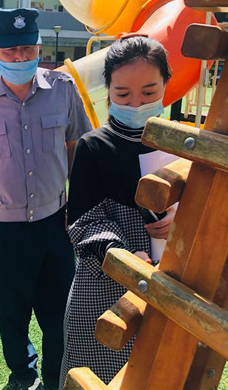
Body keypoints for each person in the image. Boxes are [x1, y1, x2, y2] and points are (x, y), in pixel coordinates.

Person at [0, 7, 92, 390]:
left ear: (39, 47)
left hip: (56, 222)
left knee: (59, 310)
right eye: (10, 50)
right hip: (5, 228)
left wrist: (79, 205)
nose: (20, 57)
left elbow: (76, 146)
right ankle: (23, 374)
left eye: (28, 49)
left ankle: (55, 377)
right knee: (12, 311)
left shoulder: (63, 89)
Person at [59, 36, 177, 386]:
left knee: (162, 372)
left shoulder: (184, 143)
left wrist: (182, 219)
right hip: (105, 284)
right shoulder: (94, 145)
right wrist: (122, 255)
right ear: (107, 90)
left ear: (166, 84)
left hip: (172, 278)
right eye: (123, 94)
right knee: (97, 373)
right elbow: (82, 221)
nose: (136, 103)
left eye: (149, 92)